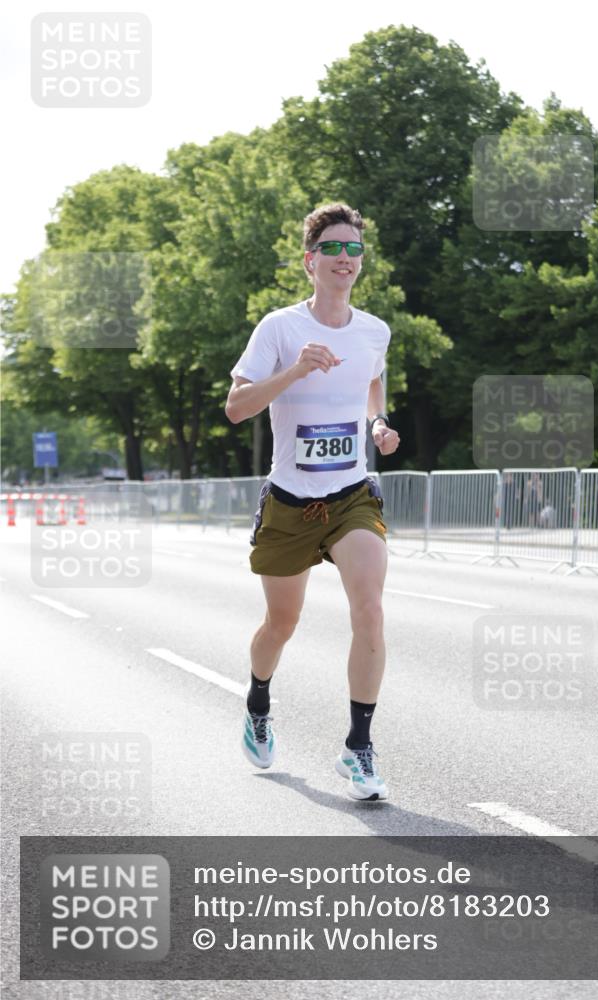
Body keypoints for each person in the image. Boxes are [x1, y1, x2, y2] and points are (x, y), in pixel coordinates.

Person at [225, 203, 400, 801]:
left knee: (370, 608)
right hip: (291, 500)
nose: (345, 258)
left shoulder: (374, 330)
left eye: (354, 249)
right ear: (310, 261)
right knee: (282, 623)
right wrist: (296, 372)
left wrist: (377, 422)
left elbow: (373, 379)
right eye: (333, 248)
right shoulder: (280, 329)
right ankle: (257, 702)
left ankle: (358, 749)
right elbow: (237, 406)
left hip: (351, 493)